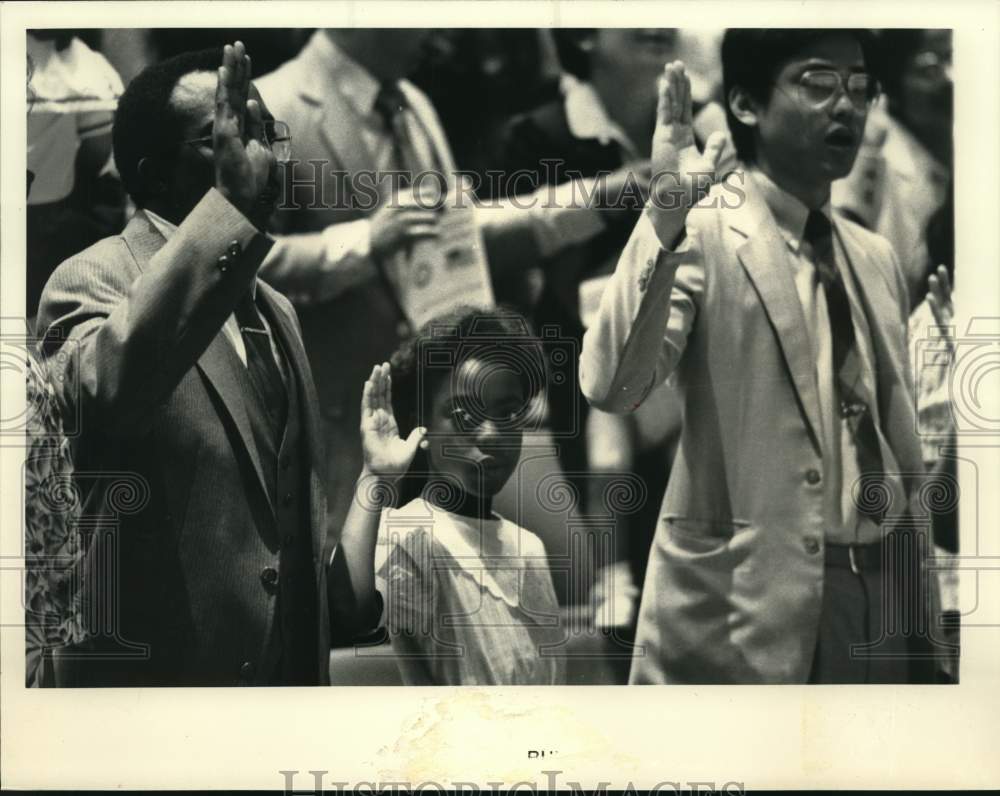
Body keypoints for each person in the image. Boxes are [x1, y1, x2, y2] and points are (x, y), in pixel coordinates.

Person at [581, 29, 950, 684]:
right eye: (818, 84)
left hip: (881, 598)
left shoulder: (874, 255)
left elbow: (895, 452)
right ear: (747, 105)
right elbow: (611, 382)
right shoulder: (704, 229)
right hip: (743, 614)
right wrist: (665, 208)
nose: (848, 107)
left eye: (860, 89)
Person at [35, 43, 375, 686]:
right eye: (223, 135)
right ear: (154, 174)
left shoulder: (276, 309)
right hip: (159, 699)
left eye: (264, 131)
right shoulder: (91, 278)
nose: (258, 155)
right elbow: (108, 393)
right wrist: (228, 217)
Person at [255, 29, 616, 536]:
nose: (442, 27)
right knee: (351, 604)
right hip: (338, 443)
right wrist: (364, 240)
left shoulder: (415, 103)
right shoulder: (274, 103)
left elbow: (462, 235)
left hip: (439, 442)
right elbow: (240, 262)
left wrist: (600, 200)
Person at [334, 307, 565, 685]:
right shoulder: (412, 536)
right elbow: (347, 619)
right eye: (464, 416)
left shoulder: (530, 548)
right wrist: (374, 475)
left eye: (507, 413)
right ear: (423, 427)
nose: (490, 434)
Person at [833, 29, 952, 310]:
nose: (949, 79)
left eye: (951, 58)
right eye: (929, 69)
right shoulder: (879, 157)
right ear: (893, 86)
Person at [26, 30, 126, 325]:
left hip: (48, 217)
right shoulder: (89, 67)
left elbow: (97, 152)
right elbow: (96, 156)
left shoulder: (88, 67)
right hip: (49, 215)